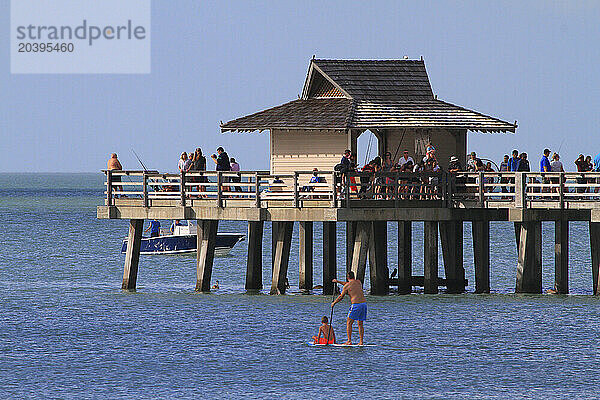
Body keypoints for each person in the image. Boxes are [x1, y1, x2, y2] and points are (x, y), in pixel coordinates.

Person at [331, 271, 367, 345]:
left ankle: (349, 341)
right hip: (364, 304)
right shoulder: (358, 282)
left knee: (349, 323)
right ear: (354, 276)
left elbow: (341, 296)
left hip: (356, 305)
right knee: (360, 324)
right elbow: (347, 284)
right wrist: (337, 281)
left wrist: (334, 303)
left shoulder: (347, 286)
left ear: (347, 277)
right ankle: (361, 342)